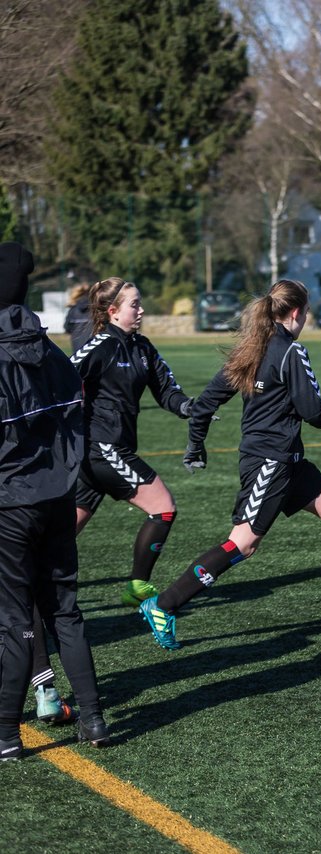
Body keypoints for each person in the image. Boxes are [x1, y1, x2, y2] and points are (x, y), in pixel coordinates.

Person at [139, 280, 321, 651]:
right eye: (308, 311)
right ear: (296, 312)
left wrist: (195, 446)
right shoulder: (290, 352)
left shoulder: (251, 348)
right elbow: (313, 412)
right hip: (271, 462)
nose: (307, 318)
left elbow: (204, 404)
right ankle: (164, 605)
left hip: (288, 460)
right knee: (244, 543)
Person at [0, 242, 110, 758]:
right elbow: (75, 424)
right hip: (56, 497)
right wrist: (61, 478)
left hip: (11, 504)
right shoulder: (53, 353)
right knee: (65, 611)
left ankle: (5, 735)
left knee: (17, 619)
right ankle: (93, 719)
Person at [70, 277, 195, 608]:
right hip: (102, 448)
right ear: (113, 311)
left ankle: (22, 581)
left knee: (62, 534)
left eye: (140, 303)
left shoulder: (143, 347)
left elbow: (167, 390)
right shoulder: (99, 347)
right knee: (163, 508)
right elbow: (62, 378)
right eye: (134, 304)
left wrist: (189, 407)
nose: (141, 310)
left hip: (111, 450)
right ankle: (138, 586)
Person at [64, 281, 92, 351]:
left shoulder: (72, 310)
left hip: (77, 347)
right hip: (93, 346)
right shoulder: (95, 309)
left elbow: (67, 327)